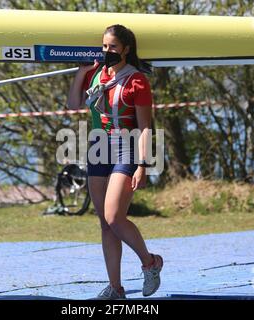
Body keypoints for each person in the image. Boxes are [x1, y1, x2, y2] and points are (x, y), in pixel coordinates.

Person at [67, 24, 163, 299]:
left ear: (126, 49)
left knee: (114, 217)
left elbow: (145, 127)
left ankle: (150, 263)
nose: (108, 51)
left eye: (113, 47)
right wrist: (81, 74)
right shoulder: (96, 74)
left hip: (126, 148)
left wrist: (143, 165)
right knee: (105, 224)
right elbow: (74, 106)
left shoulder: (137, 81)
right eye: (105, 46)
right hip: (98, 146)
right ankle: (116, 288)